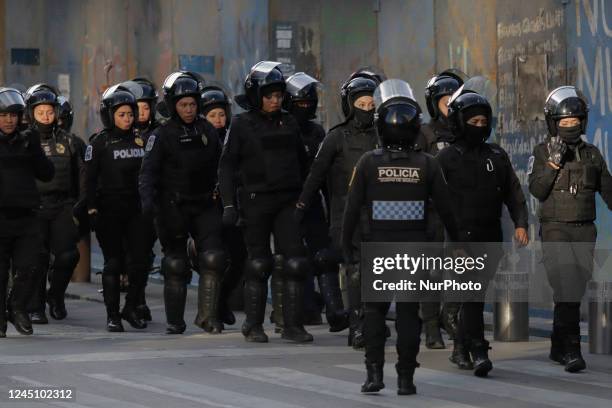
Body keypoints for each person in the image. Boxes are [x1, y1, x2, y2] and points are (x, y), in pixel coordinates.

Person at [343, 79, 459, 395]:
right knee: (409, 314)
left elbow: (351, 211)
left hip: (377, 250)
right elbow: (448, 212)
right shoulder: (428, 164)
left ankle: (374, 374)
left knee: (374, 313)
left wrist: (347, 250)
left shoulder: (368, 163)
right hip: (414, 251)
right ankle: (406, 378)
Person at [436, 86, 529, 377]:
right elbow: (432, 200)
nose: (479, 127)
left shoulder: (496, 156)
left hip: (490, 239)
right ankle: (477, 350)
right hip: (459, 241)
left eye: (482, 123)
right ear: (459, 123)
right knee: (472, 294)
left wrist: (521, 223)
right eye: (472, 122)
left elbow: (514, 194)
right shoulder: (446, 159)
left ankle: (460, 347)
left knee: (475, 294)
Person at [218, 61, 313, 343]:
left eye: (278, 96)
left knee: (295, 262)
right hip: (256, 201)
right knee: (259, 263)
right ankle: (254, 323)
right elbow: (226, 167)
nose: (275, 101)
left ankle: (292, 325)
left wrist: (305, 200)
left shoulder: (290, 122)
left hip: (287, 201)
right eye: (269, 96)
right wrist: (228, 205)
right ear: (256, 95)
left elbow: (303, 163)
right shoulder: (241, 124)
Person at [529, 86, 612, 373]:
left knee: (574, 289)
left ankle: (556, 344)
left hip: (584, 230)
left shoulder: (592, 155)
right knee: (565, 286)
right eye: (563, 123)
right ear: (553, 124)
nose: (569, 127)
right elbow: (537, 190)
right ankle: (572, 349)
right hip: (555, 229)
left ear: (582, 122)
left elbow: (609, 191)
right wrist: (553, 162)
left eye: (574, 122)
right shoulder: (542, 152)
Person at [296, 70, 380, 348]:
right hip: (347, 216)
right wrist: (301, 206)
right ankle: (356, 326)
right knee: (355, 272)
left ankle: (374, 321)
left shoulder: (384, 136)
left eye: (371, 105)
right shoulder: (335, 138)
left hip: (382, 216)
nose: (367, 110)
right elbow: (315, 176)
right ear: (349, 105)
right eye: (361, 105)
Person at [140, 72, 227, 335]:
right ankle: (175, 321)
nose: (189, 110)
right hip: (173, 206)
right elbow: (148, 173)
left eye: (192, 104)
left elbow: (222, 165)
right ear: (173, 105)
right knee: (175, 264)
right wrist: (148, 205)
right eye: (183, 105)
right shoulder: (161, 135)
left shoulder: (207, 130)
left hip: (205, 204)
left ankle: (207, 316)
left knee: (213, 258)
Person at [85, 83, 153, 332]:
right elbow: (89, 180)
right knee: (113, 264)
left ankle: (131, 306)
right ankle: (112, 315)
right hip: (108, 212)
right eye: (121, 114)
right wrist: (91, 209)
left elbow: (150, 174)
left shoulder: (142, 141)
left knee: (140, 262)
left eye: (130, 114)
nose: (127, 119)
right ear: (110, 115)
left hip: (136, 211)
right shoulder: (99, 143)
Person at [285, 72, 348, 332]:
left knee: (324, 256)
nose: (306, 107)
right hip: (286, 203)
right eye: (300, 103)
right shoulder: (282, 129)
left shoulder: (317, 132)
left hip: (312, 204)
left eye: (308, 102)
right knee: (292, 260)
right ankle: (297, 312)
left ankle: (335, 311)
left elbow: (325, 172)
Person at [23, 84, 84, 323]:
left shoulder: (70, 142)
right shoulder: (24, 141)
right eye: (41, 112)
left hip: (63, 205)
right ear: (31, 114)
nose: (46, 117)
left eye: (50, 112)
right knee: (36, 258)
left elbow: (82, 176)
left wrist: (82, 206)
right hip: (34, 207)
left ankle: (56, 296)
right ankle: (35, 306)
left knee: (68, 255)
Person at [0, 87, 54, 337]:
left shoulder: (28, 139)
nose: (9, 120)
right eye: (3, 115)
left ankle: (17, 307)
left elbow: (46, 173)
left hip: (26, 215)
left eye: (13, 114)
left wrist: (33, 149)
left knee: (29, 267)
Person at [419, 69, 466, 348]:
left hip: (459, 212)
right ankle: (432, 329)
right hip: (431, 213)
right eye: (444, 100)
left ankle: (451, 315)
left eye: (454, 99)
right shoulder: (424, 134)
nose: (449, 105)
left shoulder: (468, 133)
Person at [201, 85, 246, 328]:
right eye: (212, 115)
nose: (218, 120)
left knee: (240, 258)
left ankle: (221, 301)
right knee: (214, 259)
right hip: (208, 208)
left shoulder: (235, 135)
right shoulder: (200, 139)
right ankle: (211, 312)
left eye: (221, 114)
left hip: (234, 206)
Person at [131, 77, 159, 323]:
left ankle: (138, 299)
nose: (141, 112)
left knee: (143, 254)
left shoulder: (159, 134)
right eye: (135, 106)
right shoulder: (115, 134)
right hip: (122, 202)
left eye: (145, 106)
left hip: (147, 203)